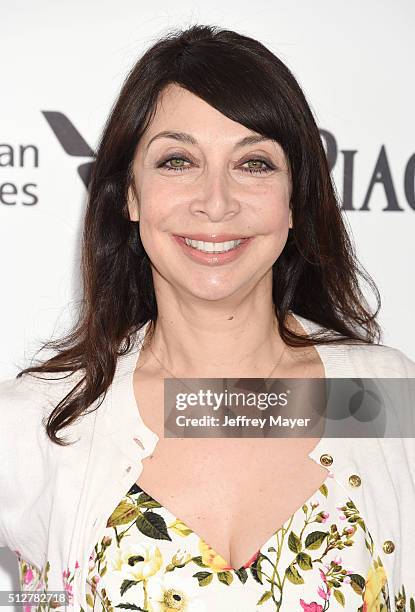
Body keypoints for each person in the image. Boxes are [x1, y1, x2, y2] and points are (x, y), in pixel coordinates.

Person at [1, 23, 414, 611]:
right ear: (130, 195)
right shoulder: (40, 423)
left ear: (296, 198)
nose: (216, 202)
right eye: (176, 161)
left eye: (254, 164)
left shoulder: (381, 400)